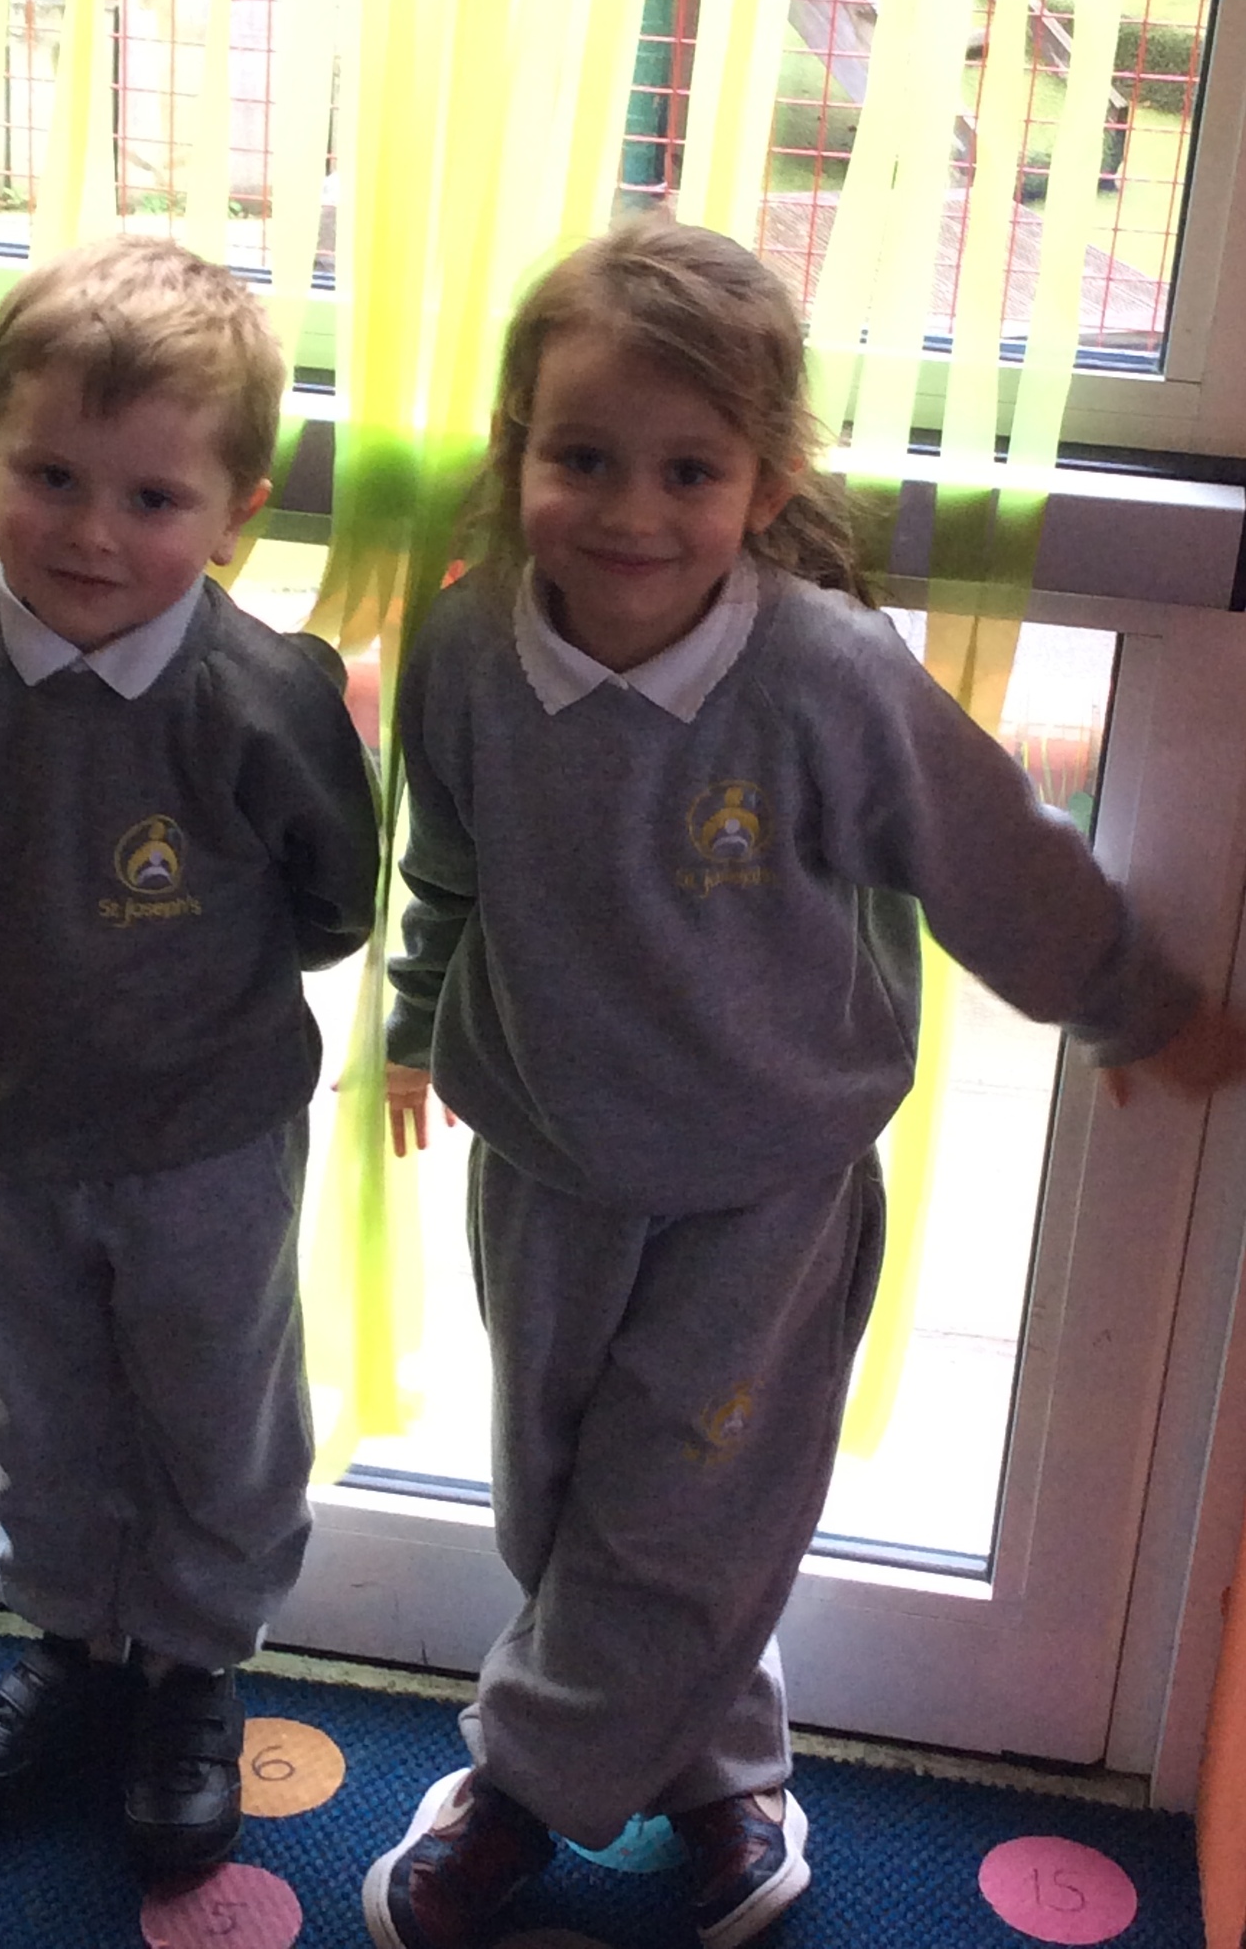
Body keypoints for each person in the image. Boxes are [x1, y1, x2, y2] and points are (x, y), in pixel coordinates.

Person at [364, 217, 1246, 1949]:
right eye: (582, 457)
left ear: (763, 483)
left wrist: (1131, 1005)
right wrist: (412, 1022)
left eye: (686, 470)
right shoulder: (465, 654)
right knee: (569, 1502)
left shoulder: (822, 673)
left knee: (683, 1511)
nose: (629, 510)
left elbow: (991, 850)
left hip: (763, 1182)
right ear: (517, 452)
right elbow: (448, 869)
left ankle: (517, 1792)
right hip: (542, 1164)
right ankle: (725, 1770)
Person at [0, 234, 380, 1885]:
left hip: (207, 1142)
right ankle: (78, 1648)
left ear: (238, 507)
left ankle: (192, 1669)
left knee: (218, 1411)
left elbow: (330, 899)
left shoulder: (264, 694)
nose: (91, 532)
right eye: (51, 478)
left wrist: (174, 1007)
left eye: (152, 498)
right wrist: (8, 1003)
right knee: (39, 1405)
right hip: (3, 1129)